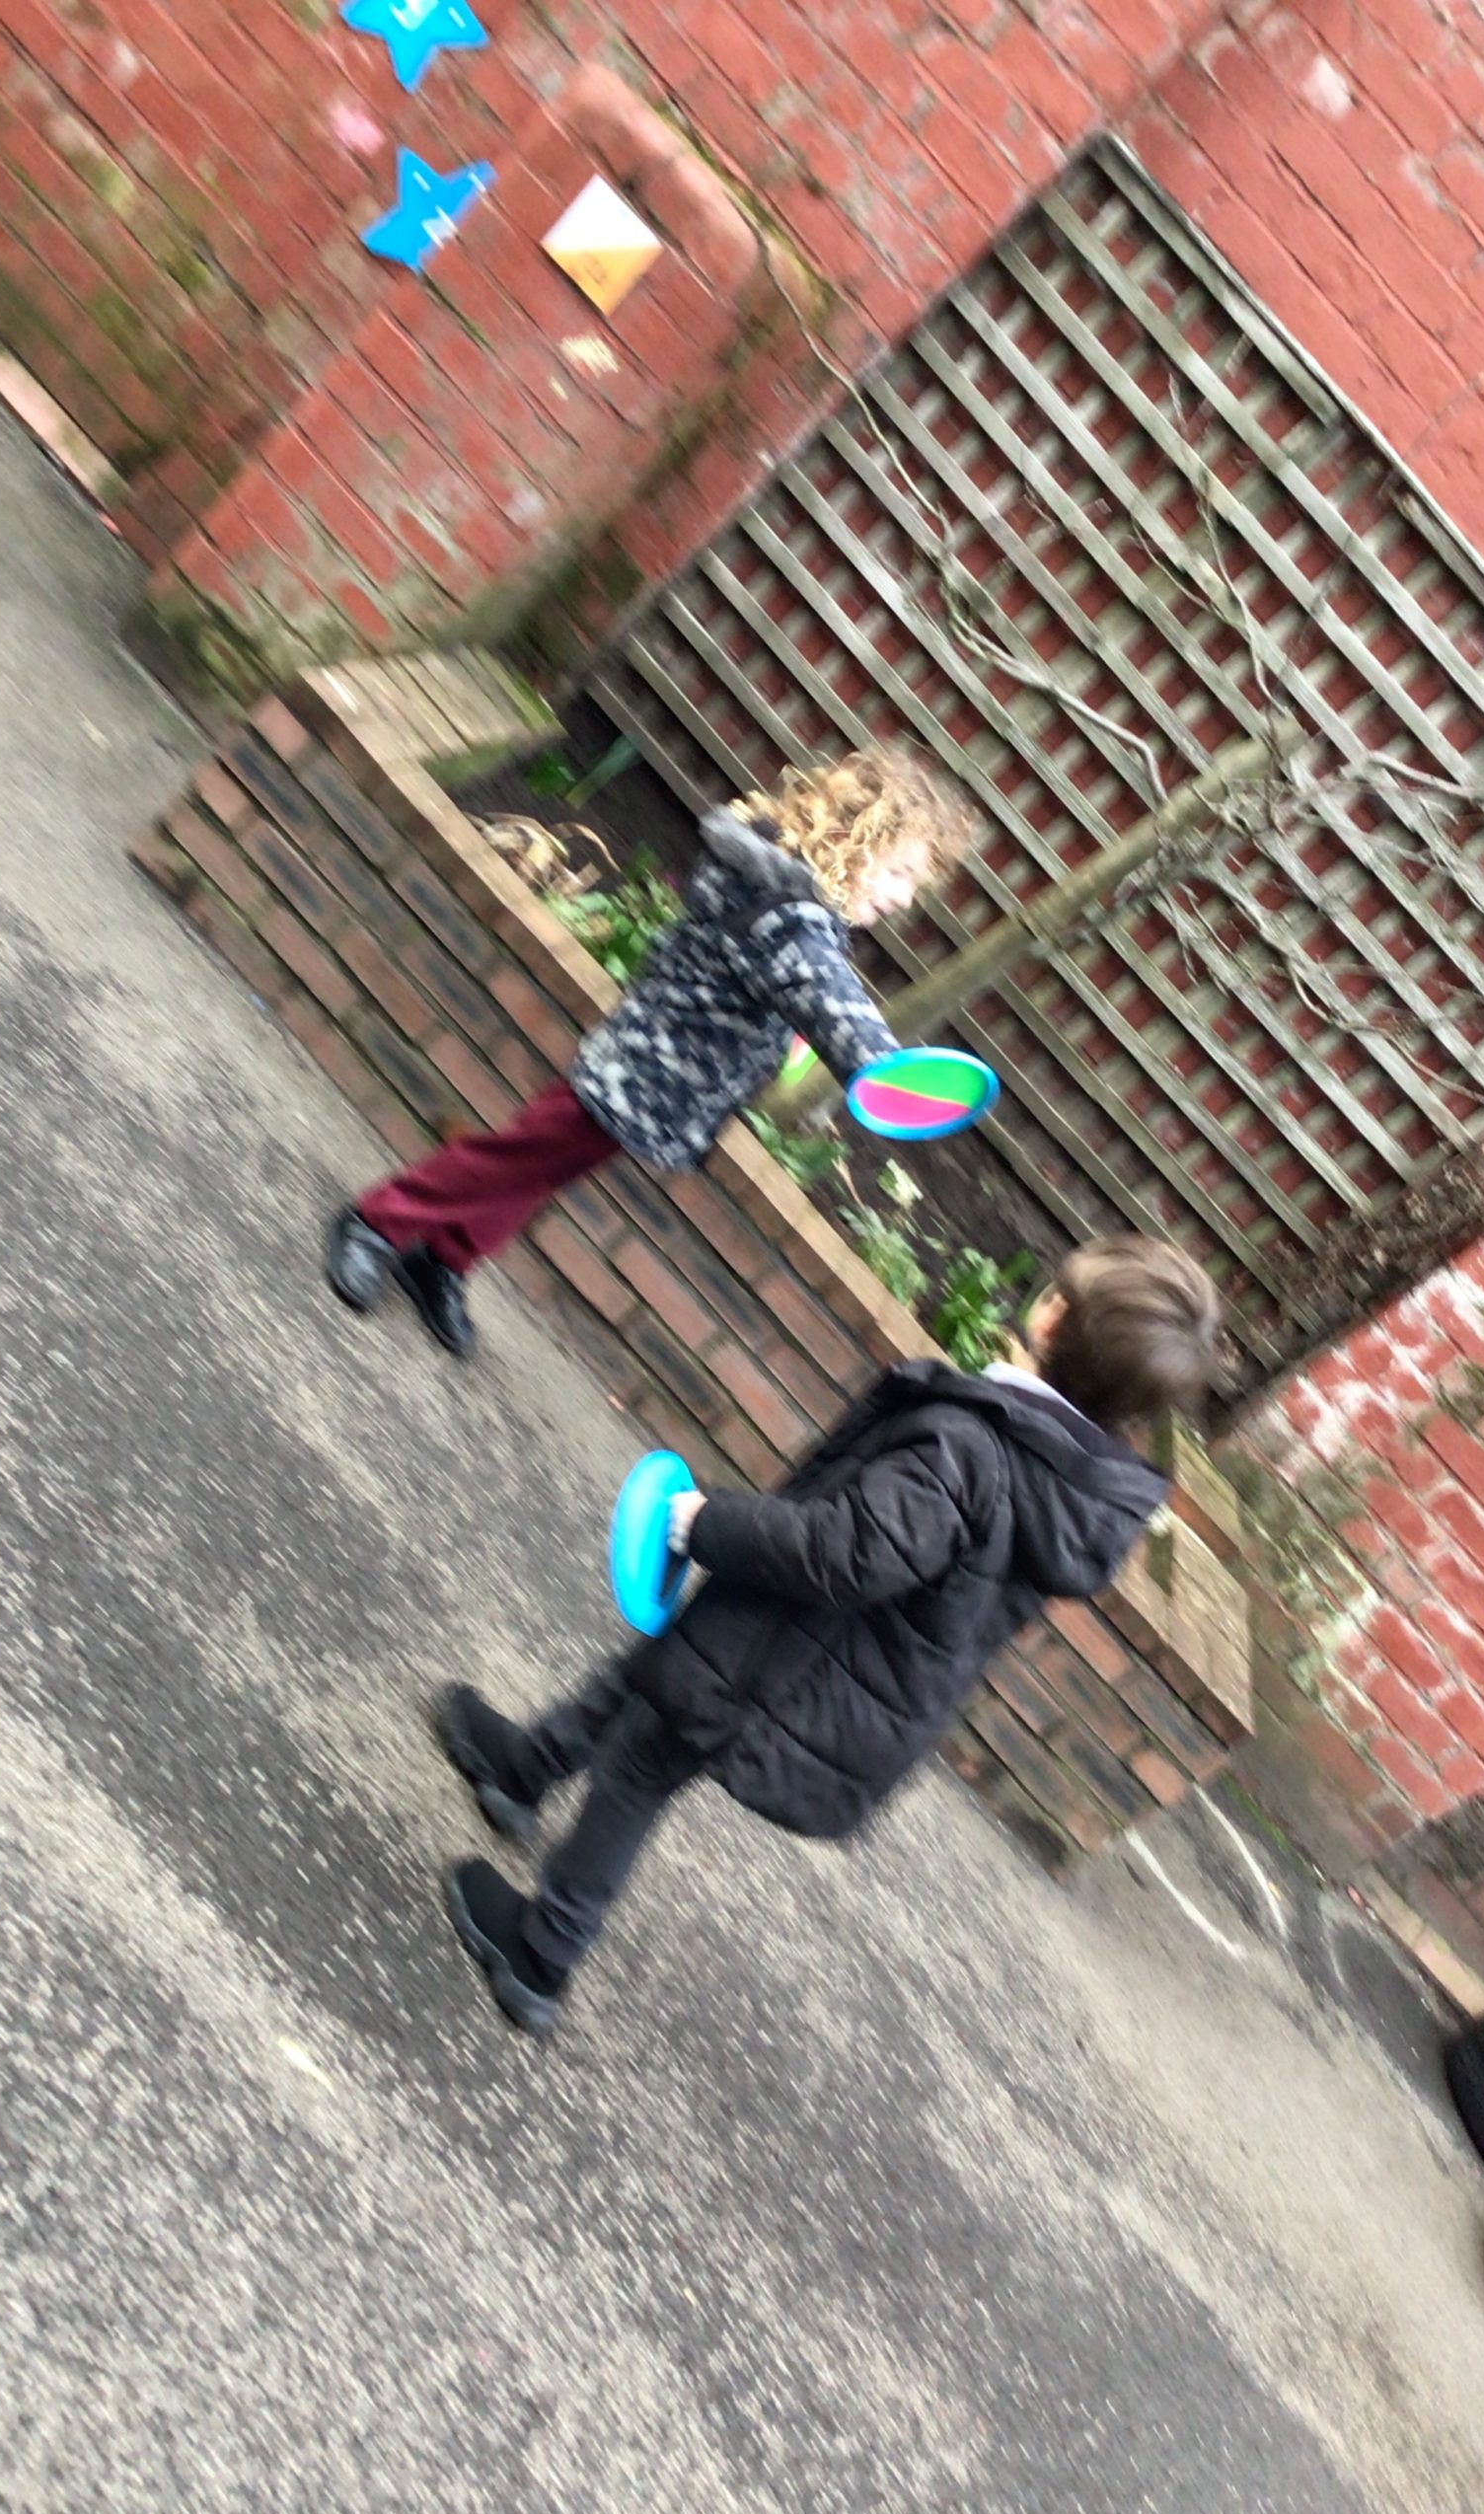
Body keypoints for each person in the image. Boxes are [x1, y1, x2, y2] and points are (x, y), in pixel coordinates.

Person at [433, 1235, 1224, 2035]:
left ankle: (541, 1954)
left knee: (642, 1765)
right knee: (650, 1679)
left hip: (787, 1662)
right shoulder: (1068, 1485)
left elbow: (843, 1554)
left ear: (1051, 1319)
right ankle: (522, 1769)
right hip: (807, 1653)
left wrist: (708, 1524)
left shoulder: (974, 1453)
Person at [325, 748, 973, 1360]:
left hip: (662, 1080)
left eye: (914, 884)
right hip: (642, 1068)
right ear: (849, 839)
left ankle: (445, 1255)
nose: (904, 897)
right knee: (518, 1157)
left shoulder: (787, 896)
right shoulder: (782, 910)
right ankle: (378, 1221)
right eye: (900, 873)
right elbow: (825, 991)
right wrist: (879, 1065)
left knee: (542, 1169)